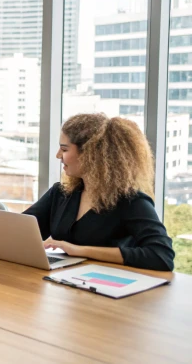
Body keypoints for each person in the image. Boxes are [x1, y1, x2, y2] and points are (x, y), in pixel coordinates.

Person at [24, 113, 175, 271]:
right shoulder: (61, 193)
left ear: (90, 154)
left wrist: (79, 251)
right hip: (65, 285)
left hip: (108, 287)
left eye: (64, 149)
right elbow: (21, 231)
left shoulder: (131, 201)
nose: (58, 155)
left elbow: (162, 256)